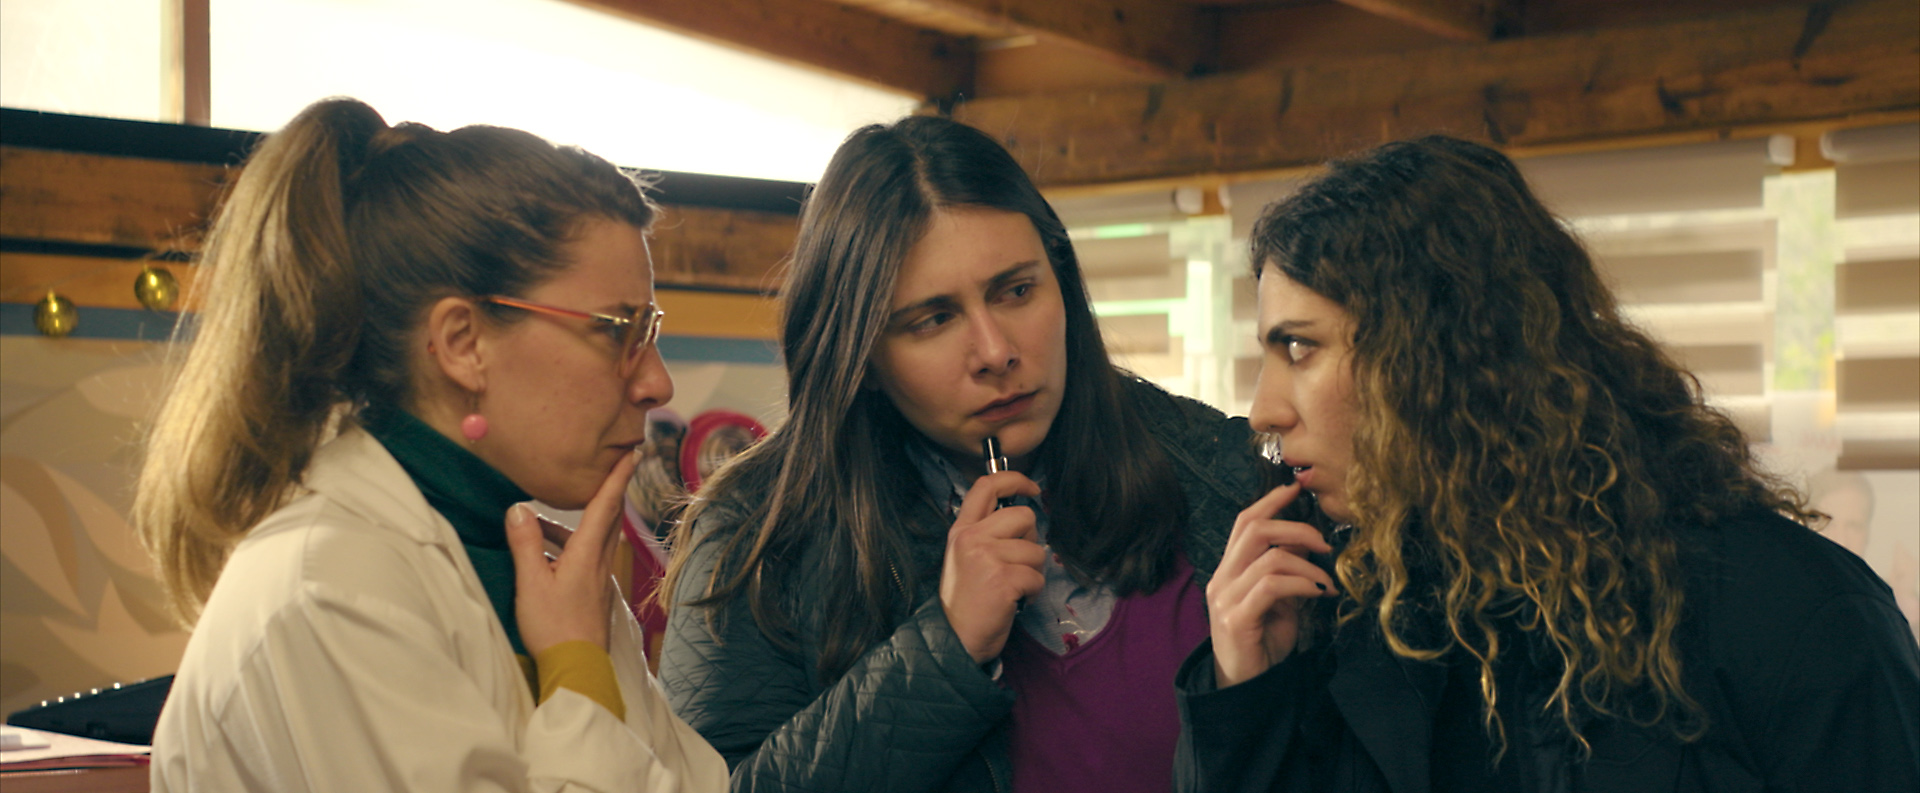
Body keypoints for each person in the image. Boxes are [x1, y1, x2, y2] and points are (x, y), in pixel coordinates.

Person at [1179, 135, 1920, 792]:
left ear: (1438, 355)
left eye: (1300, 347)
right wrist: (1246, 696)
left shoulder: (1790, 613)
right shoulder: (1355, 623)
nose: (1264, 410)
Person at [656, 115, 1278, 792]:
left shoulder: (1219, 470)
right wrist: (945, 647)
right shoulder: (755, 538)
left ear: (1062, 284)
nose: (995, 351)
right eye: (933, 319)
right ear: (861, 356)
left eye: (1017, 291)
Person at [134, 97, 727, 792]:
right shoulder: (331, 586)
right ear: (463, 344)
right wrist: (578, 669)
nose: (657, 383)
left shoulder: (560, 582)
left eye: (650, 331)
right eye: (616, 330)